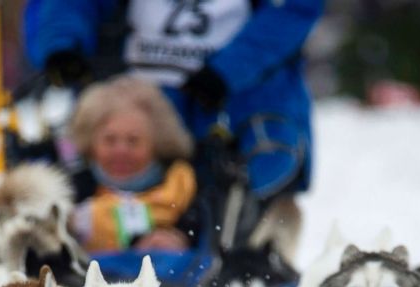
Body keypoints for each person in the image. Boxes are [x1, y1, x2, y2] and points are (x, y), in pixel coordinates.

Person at [27, 0, 323, 253]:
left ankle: (213, 259)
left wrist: (228, 71)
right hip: (131, 90)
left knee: (227, 191)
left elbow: (292, 11)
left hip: (236, 99)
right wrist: (61, 45)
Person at [68, 76, 198, 254]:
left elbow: (201, 234)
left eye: (133, 141)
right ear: (91, 144)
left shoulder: (184, 187)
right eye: (110, 140)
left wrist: (179, 239)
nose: (121, 151)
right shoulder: (71, 192)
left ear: (157, 145)